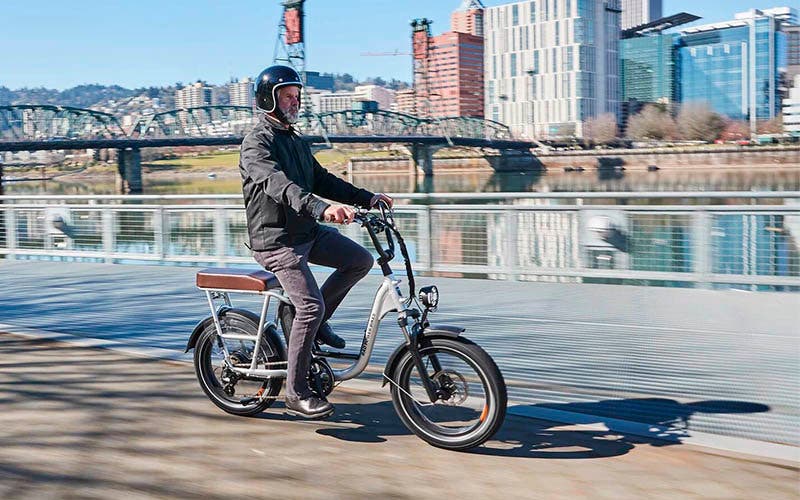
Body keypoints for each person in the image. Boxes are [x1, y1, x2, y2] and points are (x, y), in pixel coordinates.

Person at [239, 65, 393, 419]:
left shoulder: (294, 139)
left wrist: (367, 198)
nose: (295, 102)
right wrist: (322, 210)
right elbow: (280, 186)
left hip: (306, 232)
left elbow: (320, 179)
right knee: (310, 306)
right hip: (276, 241)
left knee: (359, 261)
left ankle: (312, 322)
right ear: (269, 100)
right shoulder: (256, 143)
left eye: (296, 96)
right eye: (287, 96)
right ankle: (295, 392)